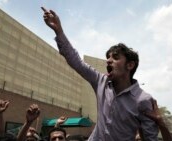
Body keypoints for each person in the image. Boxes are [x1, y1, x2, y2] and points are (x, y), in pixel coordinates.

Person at [42, 7, 158, 141]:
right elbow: (76, 62)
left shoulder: (144, 100)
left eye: (115, 57)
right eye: (108, 57)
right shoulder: (101, 82)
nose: (108, 60)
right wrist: (59, 31)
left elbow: (150, 138)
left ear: (130, 65)